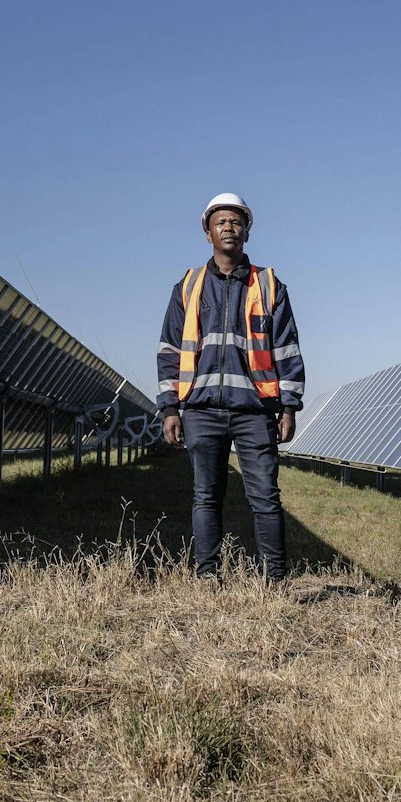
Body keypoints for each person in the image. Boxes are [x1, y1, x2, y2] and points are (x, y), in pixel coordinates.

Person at [157, 193, 305, 580]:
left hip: (255, 411)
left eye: (236, 222)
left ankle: (274, 580)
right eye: (220, 222)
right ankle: (207, 576)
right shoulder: (188, 286)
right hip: (201, 410)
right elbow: (170, 349)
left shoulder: (270, 286)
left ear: (247, 232)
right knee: (206, 497)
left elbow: (287, 348)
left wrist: (289, 406)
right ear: (207, 233)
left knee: (265, 498)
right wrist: (170, 407)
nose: (229, 227)